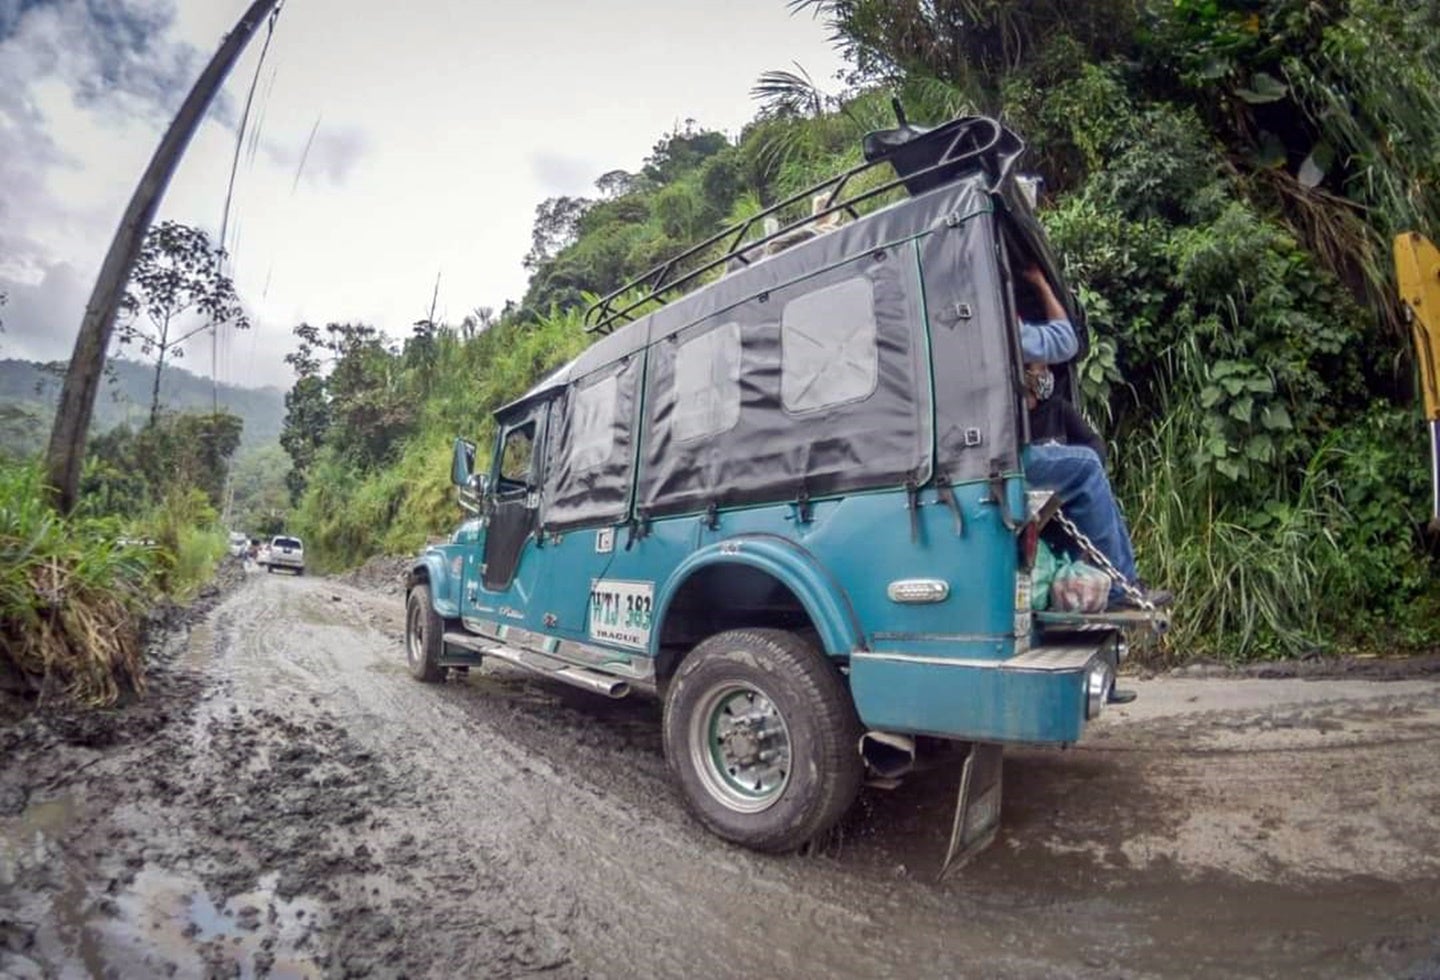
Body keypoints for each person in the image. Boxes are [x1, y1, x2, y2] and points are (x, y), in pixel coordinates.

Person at [1015, 264, 1172, 612]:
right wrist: (1040, 281)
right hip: (1002, 461)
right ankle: (1120, 589)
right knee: (1085, 467)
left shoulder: (1056, 408)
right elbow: (1065, 340)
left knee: (1090, 470)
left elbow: (1094, 444)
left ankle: (1108, 583)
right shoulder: (1003, 327)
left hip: (991, 458)